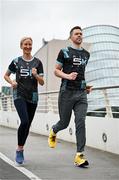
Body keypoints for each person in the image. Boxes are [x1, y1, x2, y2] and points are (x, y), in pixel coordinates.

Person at [48, 26, 92, 167]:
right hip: (66, 92)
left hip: (81, 94)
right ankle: (54, 130)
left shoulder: (86, 54)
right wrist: (67, 76)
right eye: (76, 34)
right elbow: (56, 70)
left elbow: (81, 73)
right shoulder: (65, 52)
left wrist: (85, 86)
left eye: (81, 34)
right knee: (64, 123)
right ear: (71, 36)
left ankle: (79, 155)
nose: (79, 36)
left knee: (81, 122)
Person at [4, 37, 44, 165]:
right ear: (21, 46)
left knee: (27, 125)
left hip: (33, 96)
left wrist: (36, 75)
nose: (28, 46)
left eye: (30, 44)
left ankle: (21, 148)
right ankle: (19, 149)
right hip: (19, 94)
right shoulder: (16, 62)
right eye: (25, 44)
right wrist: (12, 82)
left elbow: (42, 82)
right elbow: (6, 75)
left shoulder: (38, 63)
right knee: (25, 121)